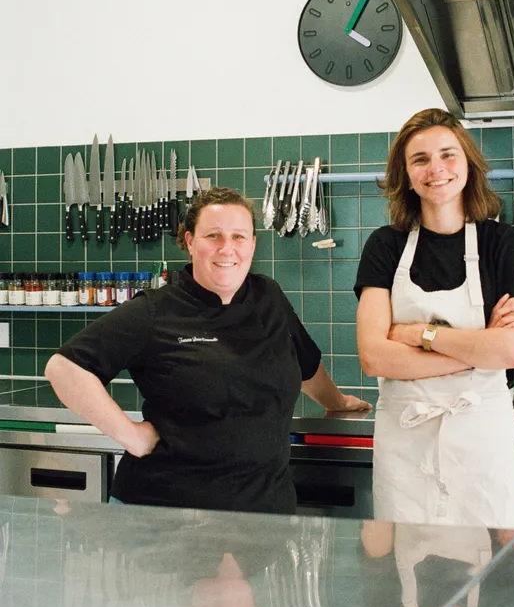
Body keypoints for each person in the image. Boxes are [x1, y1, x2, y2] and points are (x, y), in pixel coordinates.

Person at [46, 186, 370, 514]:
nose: (227, 249)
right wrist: (130, 435)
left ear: (253, 244)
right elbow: (65, 368)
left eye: (239, 237)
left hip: (265, 513)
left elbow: (305, 365)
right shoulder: (157, 310)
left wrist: (337, 402)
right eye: (213, 236)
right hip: (167, 516)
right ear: (189, 242)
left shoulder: (268, 296)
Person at [355, 108, 514, 529]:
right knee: (409, 574)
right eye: (420, 159)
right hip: (405, 441)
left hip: (483, 439)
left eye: (447, 154)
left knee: (489, 574)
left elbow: (511, 350)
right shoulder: (384, 246)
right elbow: (374, 358)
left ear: (467, 164)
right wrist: (477, 350)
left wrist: (420, 334)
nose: (436, 168)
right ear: (407, 174)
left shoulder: (501, 243)